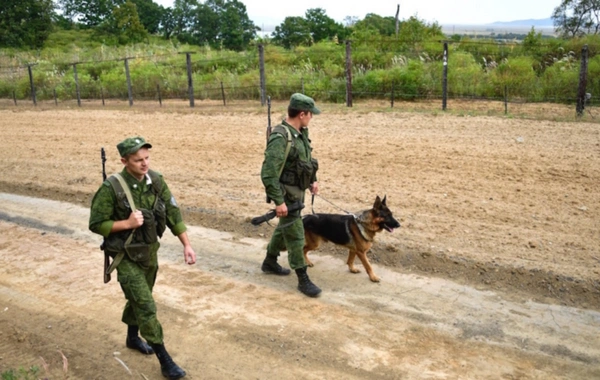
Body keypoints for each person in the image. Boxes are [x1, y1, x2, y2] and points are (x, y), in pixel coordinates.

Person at [89, 136, 196, 380]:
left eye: (147, 158)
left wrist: (187, 245)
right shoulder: (112, 188)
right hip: (124, 256)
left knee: (140, 298)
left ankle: (131, 337)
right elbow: (95, 224)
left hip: (149, 253)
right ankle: (165, 359)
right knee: (146, 305)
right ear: (124, 161)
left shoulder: (156, 181)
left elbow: (172, 213)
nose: (145, 164)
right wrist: (126, 223)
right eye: (138, 160)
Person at [260, 93, 322, 297]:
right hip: (286, 195)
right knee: (296, 235)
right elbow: (269, 173)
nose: (311, 118)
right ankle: (302, 278)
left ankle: (269, 261)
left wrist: (313, 180)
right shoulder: (280, 138)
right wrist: (279, 202)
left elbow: (306, 160)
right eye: (310, 114)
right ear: (302, 114)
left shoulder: (301, 133)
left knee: (284, 227)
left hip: (298, 192)